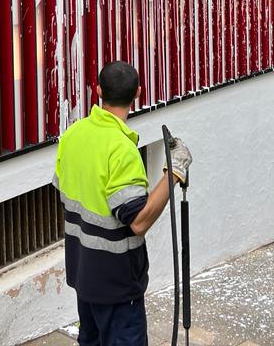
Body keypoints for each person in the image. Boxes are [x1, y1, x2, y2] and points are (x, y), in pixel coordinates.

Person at [53, 61, 192, 346]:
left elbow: (65, 193)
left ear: (98, 90)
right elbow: (138, 221)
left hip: (84, 275)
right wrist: (174, 172)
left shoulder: (72, 136)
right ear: (138, 93)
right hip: (117, 285)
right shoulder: (121, 150)